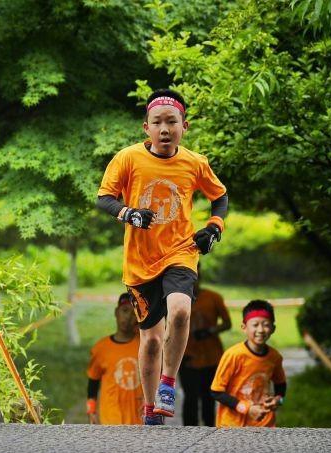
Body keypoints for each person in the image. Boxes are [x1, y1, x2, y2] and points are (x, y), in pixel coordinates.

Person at [96, 89, 229, 425]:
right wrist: (129, 213)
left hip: (181, 252)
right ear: (146, 127)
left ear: (184, 126)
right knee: (152, 339)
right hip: (139, 263)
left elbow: (220, 197)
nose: (165, 129)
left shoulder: (195, 163)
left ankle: (168, 384)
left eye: (172, 122)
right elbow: (104, 197)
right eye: (157, 123)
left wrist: (213, 228)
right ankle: (150, 409)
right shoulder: (128, 158)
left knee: (181, 311)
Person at [210, 300, 287, 428]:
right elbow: (216, 391)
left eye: (266, 325)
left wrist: (278, 400)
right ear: (244, 327)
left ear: (273, 329)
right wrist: (247, 409)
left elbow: (281, 384)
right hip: (232, 426)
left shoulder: (275, 357)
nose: (260, 330)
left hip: (264, 424)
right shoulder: (233, 355)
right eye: (255, 325)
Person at [181, 266, 231, 426]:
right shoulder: (177, 299)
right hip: (186, 357)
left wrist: (210, 331)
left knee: (208, 398)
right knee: (190, 398)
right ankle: (188, 434)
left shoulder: (213, 297)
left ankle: (209, 432)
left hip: (211, 357)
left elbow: (227, 323)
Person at [86, 293, 144, 425]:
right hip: (111, 417)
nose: (128, 317)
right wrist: (91, 409)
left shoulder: (144, 345)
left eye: (133, 313)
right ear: (116, 312)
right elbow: (93, 380)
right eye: (125, 311)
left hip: (139, 418)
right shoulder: (101, 348)